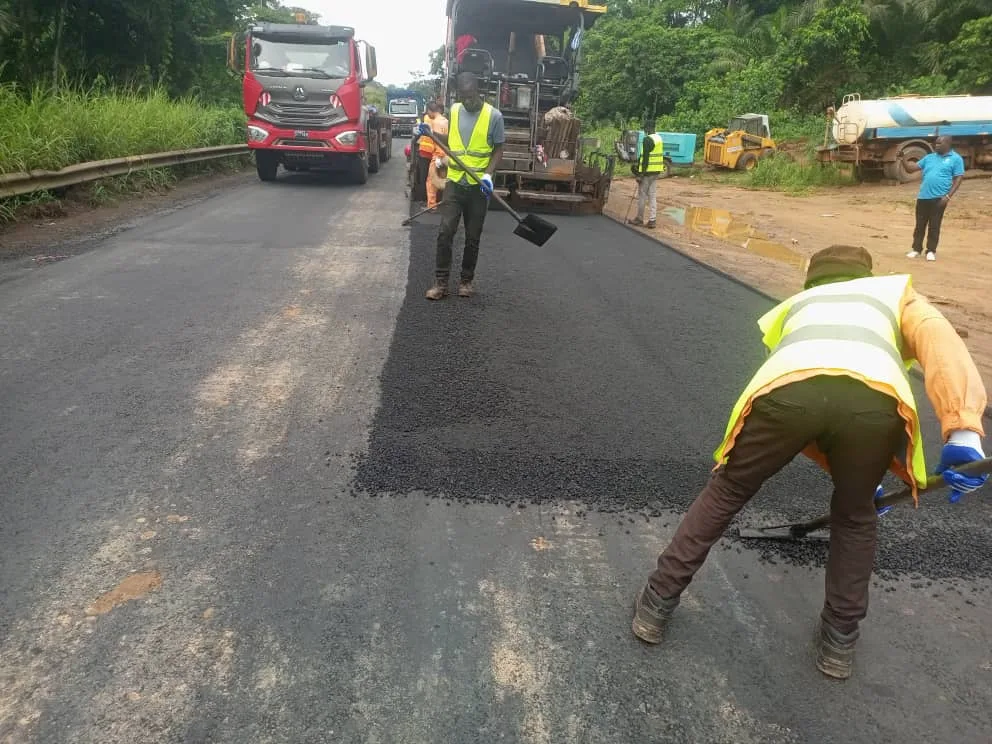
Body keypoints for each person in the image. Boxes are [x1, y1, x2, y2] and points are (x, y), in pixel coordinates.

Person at [631, 245, 988, 680]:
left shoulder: (795, 307)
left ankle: (656, 604)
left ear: (813, 281)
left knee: (728, 490)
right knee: (855, 517)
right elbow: (939, 341)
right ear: (865, 274)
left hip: (784, 390)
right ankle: (838, 642)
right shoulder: (893, 294)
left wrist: (855, 469)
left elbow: (805, 406)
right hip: (873, 404)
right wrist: (962, 428)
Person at [418, 72, 504, 300]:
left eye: (471, 96)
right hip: (455, 182)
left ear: (479, 91)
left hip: (478, 186)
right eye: (463, 96)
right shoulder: (455, 111)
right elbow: (451, 141)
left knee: (473, 236)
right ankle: (441, 283)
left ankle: (466, 280)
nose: (468, 101)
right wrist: (431, 133)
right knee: (445, 231)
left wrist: (488, 175)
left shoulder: (493, 116)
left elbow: (498, 149)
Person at [903, 136, 964, 262]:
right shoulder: (929, 158)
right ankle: (916, 249)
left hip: (939, 199)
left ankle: (931, 251)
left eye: (939, 143)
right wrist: (902, 158)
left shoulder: (956, 159)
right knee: (919, 225)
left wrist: (948, 196)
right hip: (923, 197)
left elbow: (958, 178)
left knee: (934, 226)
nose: (936, 146)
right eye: (935, 144)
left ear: (947, 144)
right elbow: (910, 169)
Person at [628, 133, 666, 229]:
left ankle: (639, 219)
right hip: (656, 171)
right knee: (652, 195)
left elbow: (645, 158)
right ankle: (652, 220)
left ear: (647, 129)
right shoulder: (658, 138)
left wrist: (640, 175)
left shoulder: (647, 139)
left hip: (647, 173)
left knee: (642, 195)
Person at [418, 102, 449, 210]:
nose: (427, 114)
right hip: (448, 155)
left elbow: (437, 140)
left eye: (428, 112)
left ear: (431, 111)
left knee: (431, 181)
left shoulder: (435, 123)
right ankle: (447, 204)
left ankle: (431, 206)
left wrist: (438, 157)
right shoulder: (446, 121)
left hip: (438, 155)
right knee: (445, 180)